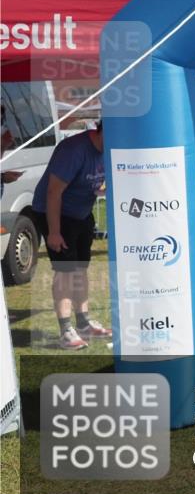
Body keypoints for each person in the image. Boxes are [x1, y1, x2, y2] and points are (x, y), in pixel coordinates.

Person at [30, 122, 112, 350]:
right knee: (65, 271)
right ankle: (65, 329)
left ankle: (83, 322)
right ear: (102, 129)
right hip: (55, 213)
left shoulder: (108, 148)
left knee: (80, 269)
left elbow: (90, 184)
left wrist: (103, 192)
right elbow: (53, 192)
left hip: (81, 214)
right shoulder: (74, 149)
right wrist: (54, 232)